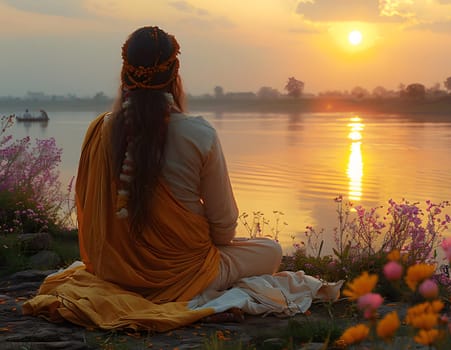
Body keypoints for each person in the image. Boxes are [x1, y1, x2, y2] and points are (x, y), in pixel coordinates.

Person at [23, 26, 340, 331]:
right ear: (175, 75)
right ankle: (191, 288)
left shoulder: (100, 130)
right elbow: (225, 226)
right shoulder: (198, 133)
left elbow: (91, 216)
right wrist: (183, 251)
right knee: (270, 250)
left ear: (124, 74)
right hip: (182, 274)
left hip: (114, 272)